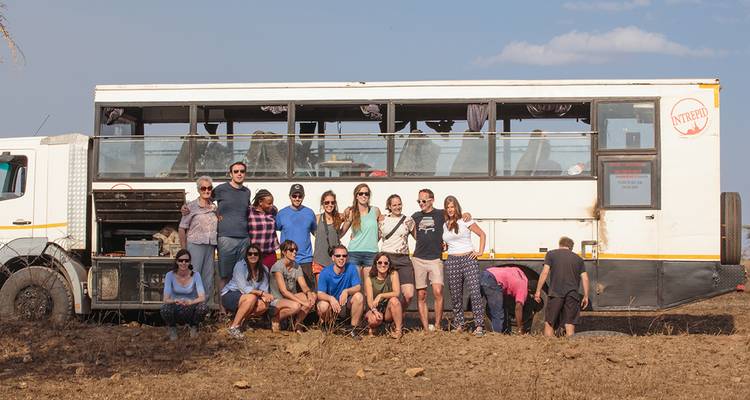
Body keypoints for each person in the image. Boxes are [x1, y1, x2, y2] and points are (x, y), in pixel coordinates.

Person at [442, 195, 486, 337]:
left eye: (452, 206)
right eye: (448, 207)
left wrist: (479, 252)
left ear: (456, 207)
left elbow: (482, 234)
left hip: (468, 259)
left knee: (474, 292)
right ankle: (459, 324)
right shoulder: (445, 224)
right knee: (455, 295)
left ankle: (479, 325)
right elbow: (449, 243)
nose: (450, 209)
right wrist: (444, 246)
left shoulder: (465, 220)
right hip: (452, 260)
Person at [534, 236, 590, 337]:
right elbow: (585, 278)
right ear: (571, 247)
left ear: (560, 244)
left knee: (549, 323)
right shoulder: (578, 259)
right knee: (569, 324)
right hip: (572, 294)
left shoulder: (551, 254)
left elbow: (545, 273)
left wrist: (538, 290)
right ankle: (570, 349)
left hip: (556, 293)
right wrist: (586, 296)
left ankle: (549, 348)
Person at [178, 176, 218, 304]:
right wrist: (184, 250)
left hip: (210, 245)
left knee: (208, 278)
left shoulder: (214, 207)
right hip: (195, 245)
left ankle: (203, 310)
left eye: (209, 188)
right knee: (194, 276)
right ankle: (189, 308)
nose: (206, 190)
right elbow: (182, 228)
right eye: (203, 188)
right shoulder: (190, 207)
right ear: (198, 190)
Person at [220, 244, 274, 338]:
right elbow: (243, 288)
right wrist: (261, 293)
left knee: (264, 305)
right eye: (250, 254)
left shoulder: (264, 269)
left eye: (255, 254)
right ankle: (233, 328)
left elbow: (264, 288)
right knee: (251, 298)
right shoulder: (240, 265)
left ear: (259, 255)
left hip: (249, 297)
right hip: (231, 294)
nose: (252, 256)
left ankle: (242, 322)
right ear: (246, 255)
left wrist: (265, 297)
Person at [269, 240, 318, 333]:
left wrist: (309, 294)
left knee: (312, 297)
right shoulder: (278, 266)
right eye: (291, 250)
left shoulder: (296, 266)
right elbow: (283, 291)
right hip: (277, 299)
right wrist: (302, 302)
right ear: (283, 252)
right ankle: (275, 319)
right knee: (296, 306)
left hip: (291, 297)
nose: (294, 252)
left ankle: (296, 324)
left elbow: (303, 285)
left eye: (296, 250)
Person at [316, 245, 364, 338]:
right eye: (338, 256)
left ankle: (352, 329)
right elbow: (320, 294)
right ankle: (326, 326)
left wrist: (346, 291)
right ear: (333, 258)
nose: (341, 258)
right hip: (331, 306)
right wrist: (330, 298)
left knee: (359, 296)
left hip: (344, 304)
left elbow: (358, 287)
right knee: (323, 305)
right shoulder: (325, 272)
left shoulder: (351, 268)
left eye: (344, 256)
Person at [160, 249, 209, 341]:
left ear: (190, 262)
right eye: (180, 260)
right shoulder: (169, 275)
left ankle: (194, 326)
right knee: (165, 309)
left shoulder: (196, 275)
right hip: (176, 306)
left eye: (186, 261)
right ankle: (172, 328)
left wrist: (191, 302)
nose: (183, 263)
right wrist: (175, 300)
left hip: (190, 307)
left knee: (203, 307)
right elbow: (165, 299)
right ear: (176, 261)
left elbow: (202, 297)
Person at [378, 194, 416, 311]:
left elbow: (419, 238)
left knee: (408, 294)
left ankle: (399, 313)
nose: (397, 207)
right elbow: (374, 238)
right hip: (387, 259)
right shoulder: (382, 220)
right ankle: (389, 319)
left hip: (403, 259)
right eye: (394, 205)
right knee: (388, 294)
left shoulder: (408, 220)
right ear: (389, 206)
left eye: (399, 204)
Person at [276, 184, 317, 290]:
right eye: (294, 196)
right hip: (287, 260)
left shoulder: (310, 213)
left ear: (303, 197)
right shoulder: (281, 214)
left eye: (300, 196)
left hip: (305, 260)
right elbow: (273, 232)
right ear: (290, 196)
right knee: (287, 293)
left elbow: (316, 233)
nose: (297, 198)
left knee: (308, 292)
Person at [341, 183, 381, 279]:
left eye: (366, 194)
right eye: (361, 193)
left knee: (369, 288)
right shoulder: (351, 212)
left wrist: (371, 240)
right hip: (354, 253)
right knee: (356, 287)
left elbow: (381, 231)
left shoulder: (375, 211)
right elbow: (341, 232)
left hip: (372, 253)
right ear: (356, 196)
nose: (364, 196)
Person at [364, 253, 403, 338]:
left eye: (386, 263)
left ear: (389, 265)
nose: (383, 265)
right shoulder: (369, 279)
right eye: (380, 262)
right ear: (376, 264)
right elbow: (370, 301)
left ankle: (398, 330)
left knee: (394, 301)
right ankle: (374, 327)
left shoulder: (393, 274)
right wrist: (374, 311)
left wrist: (381, 295)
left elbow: (397, 293)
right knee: (374, 320)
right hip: (374, 309)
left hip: (388, 310)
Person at [480, 266, 529, 334]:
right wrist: (520, 327)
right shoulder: (523, 289)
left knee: (499, 306)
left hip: (485, 273)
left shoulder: (522, 275)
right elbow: (518, 307)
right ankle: (497, 336)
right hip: (492, 279)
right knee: (498, 312)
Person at [312, 190, 344, 283]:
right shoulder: (317, 218)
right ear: (322, 204)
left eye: (332, 202)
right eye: (327, 202)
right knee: (321, 291)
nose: (330, 205)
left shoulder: (339, 218)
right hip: (319, 261)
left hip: (335, 261)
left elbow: (341, 233)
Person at [247, 189, 279, 269]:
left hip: (270, 252)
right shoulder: (249, 211)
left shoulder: (273, 211)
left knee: (270, 279)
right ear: (260, 202)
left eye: (272, 203)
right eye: (269, 203)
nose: (272, 205)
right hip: (254, 254)